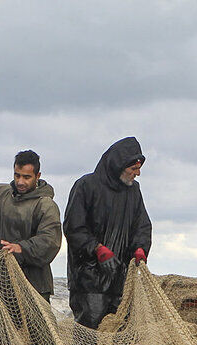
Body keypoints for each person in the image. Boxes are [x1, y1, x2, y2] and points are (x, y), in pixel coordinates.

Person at [62, 137, 152, 329]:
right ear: (119, 165)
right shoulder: (86, 186)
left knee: (121, 334)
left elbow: (142, 225)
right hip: (89, 281)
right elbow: (73, 227)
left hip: (121, 280)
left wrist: (140, 248)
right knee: (89, 336)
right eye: (134, 168)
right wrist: (98, 249)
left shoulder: (133, 191)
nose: (138, 173)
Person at [0, 150, 63, 300]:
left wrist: (21, 248)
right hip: (0, 282)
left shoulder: (46, 205)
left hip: (34, 285)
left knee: (33, 324)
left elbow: (50, 241)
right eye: (17, 175)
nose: (20, 181)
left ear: (38, 176)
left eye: (27, 177)